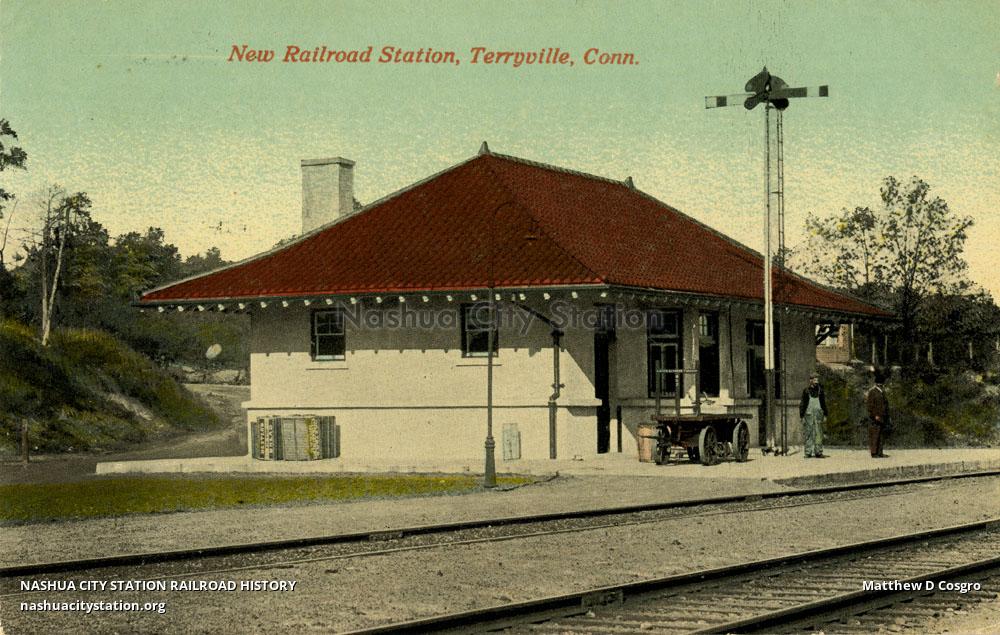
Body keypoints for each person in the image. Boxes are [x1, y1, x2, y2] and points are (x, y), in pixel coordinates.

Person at [799, 372, 828, 458]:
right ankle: (808, 452)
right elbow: (803, 404)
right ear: (810, 380)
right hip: (809, 415)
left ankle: (818, 452)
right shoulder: (806, 391)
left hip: (818, 415)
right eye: (814, 380)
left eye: (817, 380)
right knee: (808, 433)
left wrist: (825, 414)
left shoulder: (820, 391)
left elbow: (823, 403)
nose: (816, 382)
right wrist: (801, 416)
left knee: (819, 433)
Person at [866, 368, 890, 458]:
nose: (881, 385)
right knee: (875, 434)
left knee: (881, 435)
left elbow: (886, 404)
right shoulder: (872, 392)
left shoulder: (882, 392)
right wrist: (874, 415)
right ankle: (874, 452)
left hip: (882, 416)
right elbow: (870, 405)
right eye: (880, 384)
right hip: (875, 417)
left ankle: (880, 452)